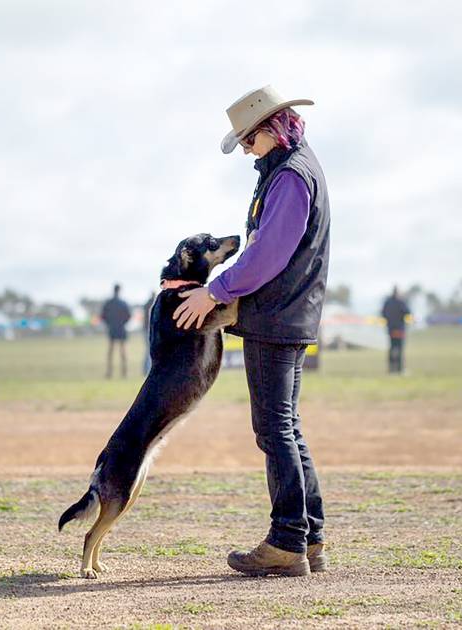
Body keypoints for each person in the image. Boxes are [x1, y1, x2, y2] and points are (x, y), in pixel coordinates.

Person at [173, 86, 328, 577]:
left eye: (247, 140)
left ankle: (286, 541)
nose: (244, 150)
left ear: (270, 129)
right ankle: (310, 536)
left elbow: (267, 256)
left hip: (275, 316)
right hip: (289, 314)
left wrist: (214, 291)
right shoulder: (293, 170)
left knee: (274, 429)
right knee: (287, 427)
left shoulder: (289, 178)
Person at [100, 284, 131, 379]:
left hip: (112, 328)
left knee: (111, 352)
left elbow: (103, 316)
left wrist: (109, 323)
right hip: (121, 328)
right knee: (123, 352)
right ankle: (124, 372)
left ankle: (109, 372)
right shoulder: (123, 303)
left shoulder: (108, 303)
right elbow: (128, 316)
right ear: (119, 290)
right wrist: (123, 323)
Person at [381, 286, 411, 374]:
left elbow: (383, 313)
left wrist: (389, 321)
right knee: (400, 349)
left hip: (391, 329)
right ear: (397, 293)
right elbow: (407, 312)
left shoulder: (387, 302)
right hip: (399, 329)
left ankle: (391, 369)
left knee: (392, 348)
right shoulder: (400, 302)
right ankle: (400, 369)